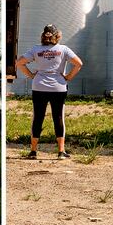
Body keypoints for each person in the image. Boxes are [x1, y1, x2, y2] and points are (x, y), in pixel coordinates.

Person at [15, 24, 83, 159]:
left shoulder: (36, 49)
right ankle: (61, 152)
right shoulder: (63, 49)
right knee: (58, 117)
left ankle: (33, 151)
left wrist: (31, 75)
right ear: (57, 36)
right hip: (58, 87)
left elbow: (19, 63)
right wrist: (68, 77)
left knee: (37, 117)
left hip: (39, 86)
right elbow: (79, 63)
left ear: (43, 35)